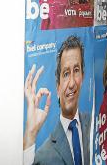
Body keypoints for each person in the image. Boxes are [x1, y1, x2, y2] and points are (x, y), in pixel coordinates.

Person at [23, 36, 91, 165]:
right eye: (65, 73)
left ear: (82, 76)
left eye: (76, 71)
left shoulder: (93, 123)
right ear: (58, 87)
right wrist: (30, 134)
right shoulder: (44, 155)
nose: (71, 83)